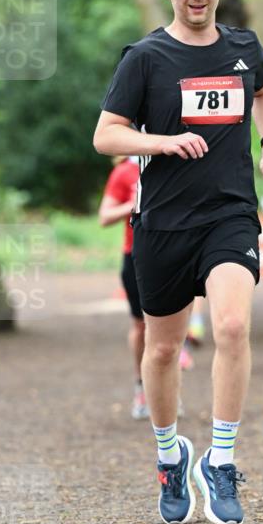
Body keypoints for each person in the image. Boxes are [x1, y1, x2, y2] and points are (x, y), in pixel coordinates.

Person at [94, 0, 263, 524]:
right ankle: (170, 456)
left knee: (232, 325)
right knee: (162, 349)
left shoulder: (243, 47)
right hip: (163, 222)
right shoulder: (146, 58)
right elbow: (107, 135)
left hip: (230, 214)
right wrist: (159, 141)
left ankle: (221, 460)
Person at [98, 156, 148, 419]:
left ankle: (169, 392)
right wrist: (132, 205)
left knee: (173, 329)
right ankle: (142, 387)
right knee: (141, 324)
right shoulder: (124, 171)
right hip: (136, 256)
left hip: (175, 253)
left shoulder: (177, 158)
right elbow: (104, 216)